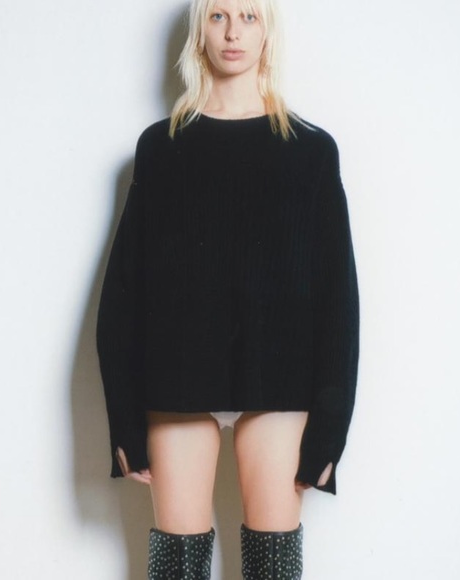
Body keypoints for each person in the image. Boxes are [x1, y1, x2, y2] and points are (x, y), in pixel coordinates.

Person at [96, 0, 360, 577]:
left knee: (273, 566)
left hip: (279, 381)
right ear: (200, 31)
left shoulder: (312, 151)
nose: (233, 32)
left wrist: (331, 432)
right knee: (176, 567)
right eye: (218, 16)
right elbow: (123, 294)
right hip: (179, 379)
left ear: (268, 31)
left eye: (249, 16)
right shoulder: (161, 147)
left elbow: (338, 300)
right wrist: (123, 420)